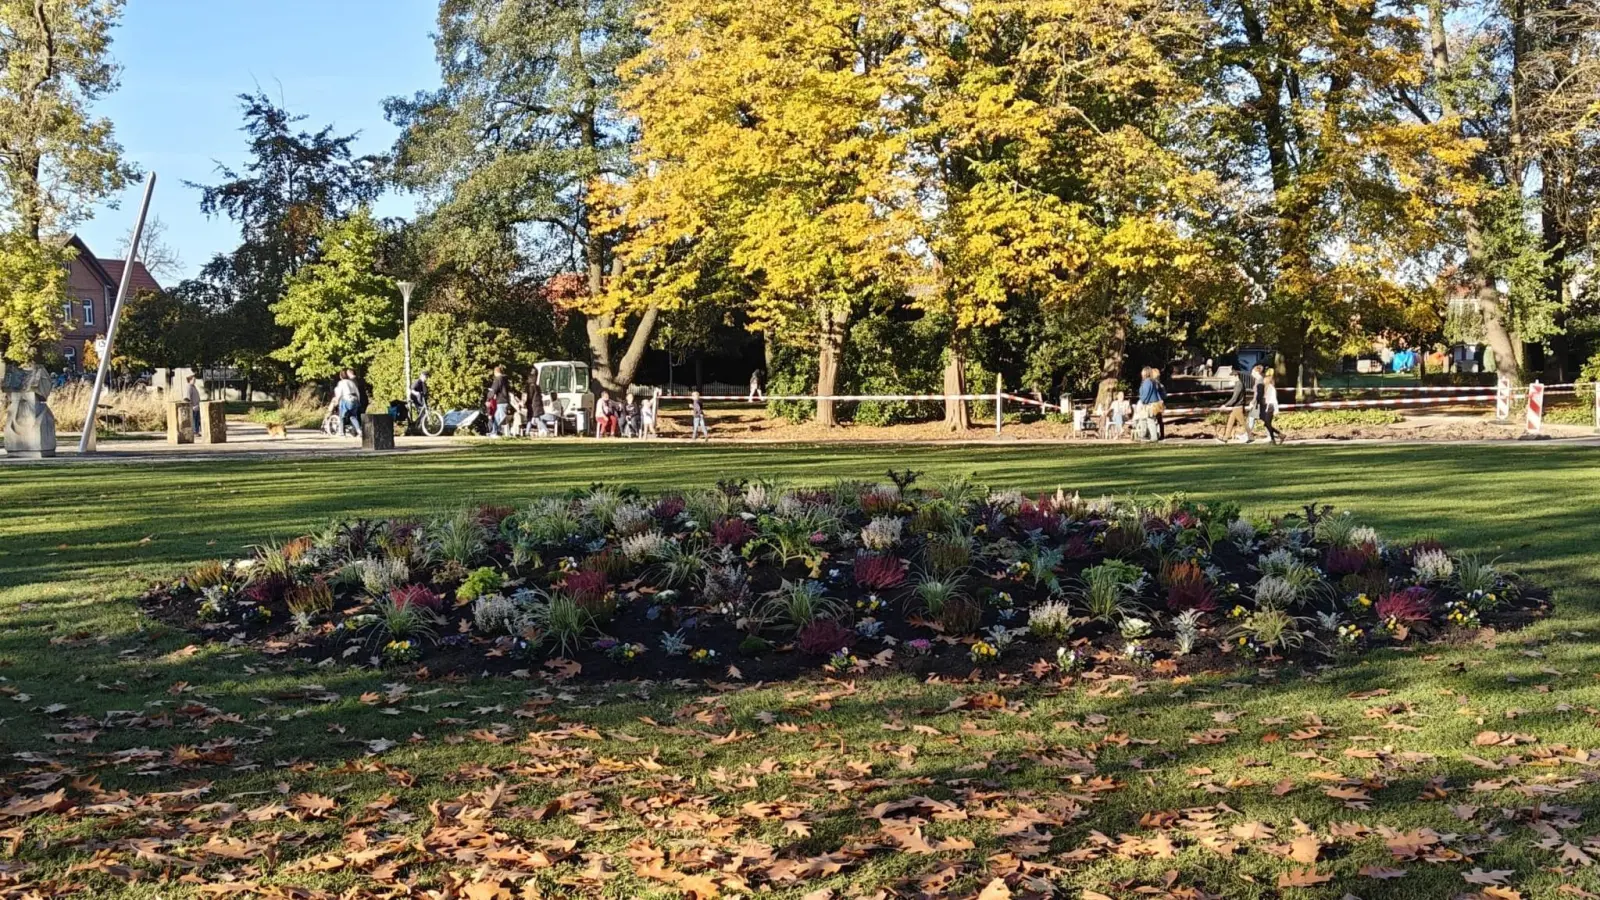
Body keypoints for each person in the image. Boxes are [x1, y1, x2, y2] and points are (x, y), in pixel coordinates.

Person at [1216, 365, 1253, 444]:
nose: (1230, 379)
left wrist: (1225, 405)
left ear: (1236, 376)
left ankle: (1251, 437)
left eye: (1231, 377)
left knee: (1243, 423)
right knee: (1230, 422)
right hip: (1237, 407)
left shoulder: (1238, 385)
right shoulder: (1238, 384)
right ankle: (1225, 438)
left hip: (1237, 407)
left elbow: (1234, 398)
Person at [331, 369, 363, 438]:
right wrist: (358, 401)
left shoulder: (341, 383)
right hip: (355, 400)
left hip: (346, 399)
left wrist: (337, 401)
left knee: (342, 416)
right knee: (353, 417)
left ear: (341, 376)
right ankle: (359, 431)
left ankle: (341, 433)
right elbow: (357, 392)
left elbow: (339, 394)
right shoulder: (351, 382)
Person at [1137, 368, 1166, 441]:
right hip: (1155, 403)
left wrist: (1143, 401)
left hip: (1150, 404)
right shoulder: (1153, 382)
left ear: (1145, 373)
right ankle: (1148, 435)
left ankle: (1153, 437)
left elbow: (1146, 394)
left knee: (1150, 420)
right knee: (1149, 420)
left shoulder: (1147, 382)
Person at [1259, 367, 1283, 445]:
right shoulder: (1271, 387)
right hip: (1270, 405)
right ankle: (1280, 435)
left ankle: (1273, 439)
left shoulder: (1269, 387)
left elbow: (1267, 398)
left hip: (1270, 406)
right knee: (1267, 423)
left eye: (1265, 380)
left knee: (1267, 423)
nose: (1264, 381)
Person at [486, 365, 511, 437]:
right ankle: (495, 432)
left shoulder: (498, 379)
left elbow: (493, 390)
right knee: (498, 417)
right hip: (505, 400)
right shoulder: (505, 379)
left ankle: (495, 432)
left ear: (495, 372)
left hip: (501, 400)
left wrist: (488, 398)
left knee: (499, 418)